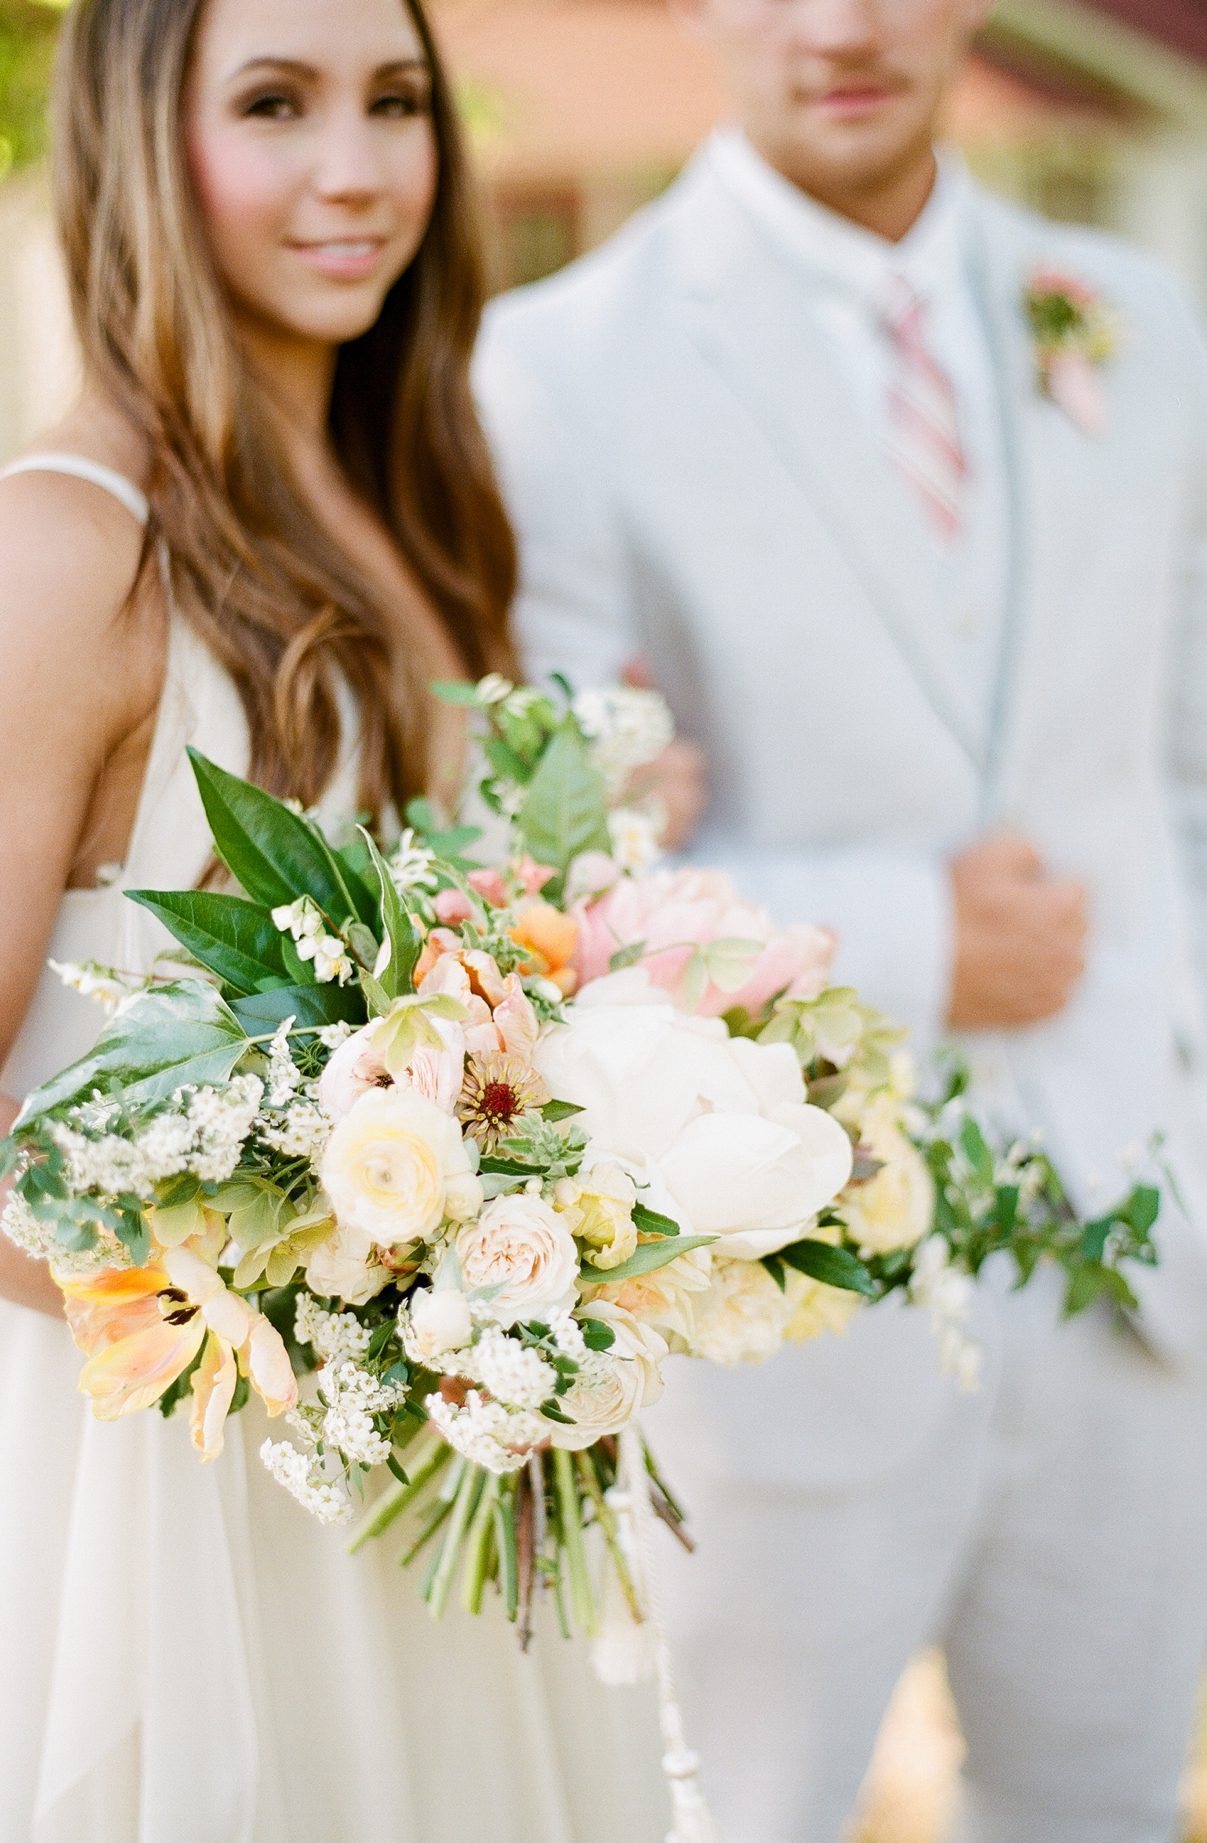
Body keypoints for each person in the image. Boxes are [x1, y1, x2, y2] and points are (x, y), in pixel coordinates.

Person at [474, 0, 1207, 1837]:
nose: (839, 26)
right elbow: (543, 872)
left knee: (1104, 1809)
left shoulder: (1125, 321)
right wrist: (909, 936)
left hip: (1145, 1248)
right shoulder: (557, 365)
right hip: (779, 1288)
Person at [0, 1, 669, 1837]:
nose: (356, 169)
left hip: (438, 1464)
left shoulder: (422, 516)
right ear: (146, 139)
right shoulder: (69, 551)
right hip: (171, 1490)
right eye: (275, 106)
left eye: (393, 101)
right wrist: (312, 1306)